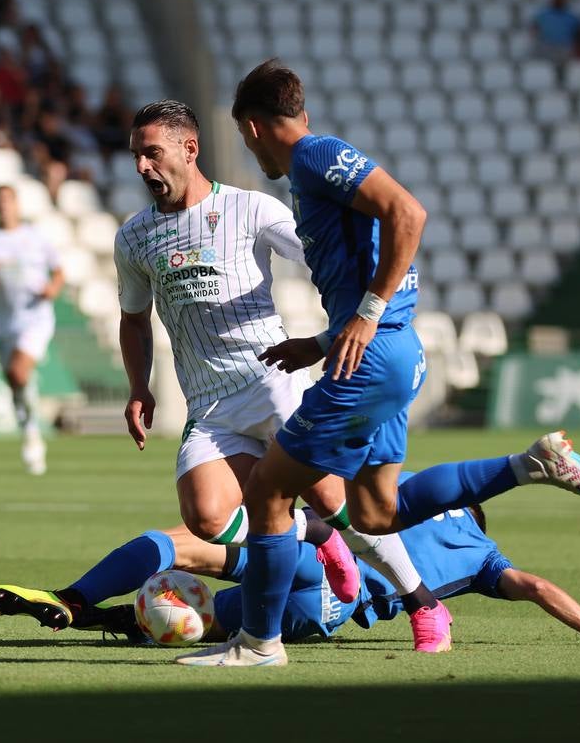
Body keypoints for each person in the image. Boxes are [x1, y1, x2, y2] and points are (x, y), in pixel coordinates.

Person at [179, 61, 580, 667]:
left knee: (269, 491)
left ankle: (258, 644)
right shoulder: (313, 166)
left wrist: (365, 315)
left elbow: (408, 213)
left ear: (251, 128)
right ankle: (527, 464)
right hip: (392, 351)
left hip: (375, 351)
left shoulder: (312, 156)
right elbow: (371, 254)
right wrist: (326, 340)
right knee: (376, 512)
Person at [106, 100, 432, 630]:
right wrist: (139, 387)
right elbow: (134, 319)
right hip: (209, 402)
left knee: (333, 498)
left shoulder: (251, 209)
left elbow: (325, 254)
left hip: (272, 380)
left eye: (152, 153)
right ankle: (314, 535)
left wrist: (360, 315)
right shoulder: (134, 237)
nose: (142, 166)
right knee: (207, 517)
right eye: (136, 156)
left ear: (190, 150)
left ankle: (422, 603)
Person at [0, 467, 580, 651]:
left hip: (311, 557)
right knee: (203, 626)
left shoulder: (412, 504)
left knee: (192, 546)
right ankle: (94, 622)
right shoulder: (486, 559)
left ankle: (74, 599)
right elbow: (538, 586)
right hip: (325, 608)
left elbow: (371, 491)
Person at [0, 186, 64, 475]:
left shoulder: (35, 235)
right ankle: (29, 428)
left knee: (19, 372)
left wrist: (51, 289)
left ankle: (33, 433)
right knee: (15, 380)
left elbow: (58, 271)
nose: (4, 207)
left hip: (36, 318)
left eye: (9, 201)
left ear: (17, 205)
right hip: (4, 322)